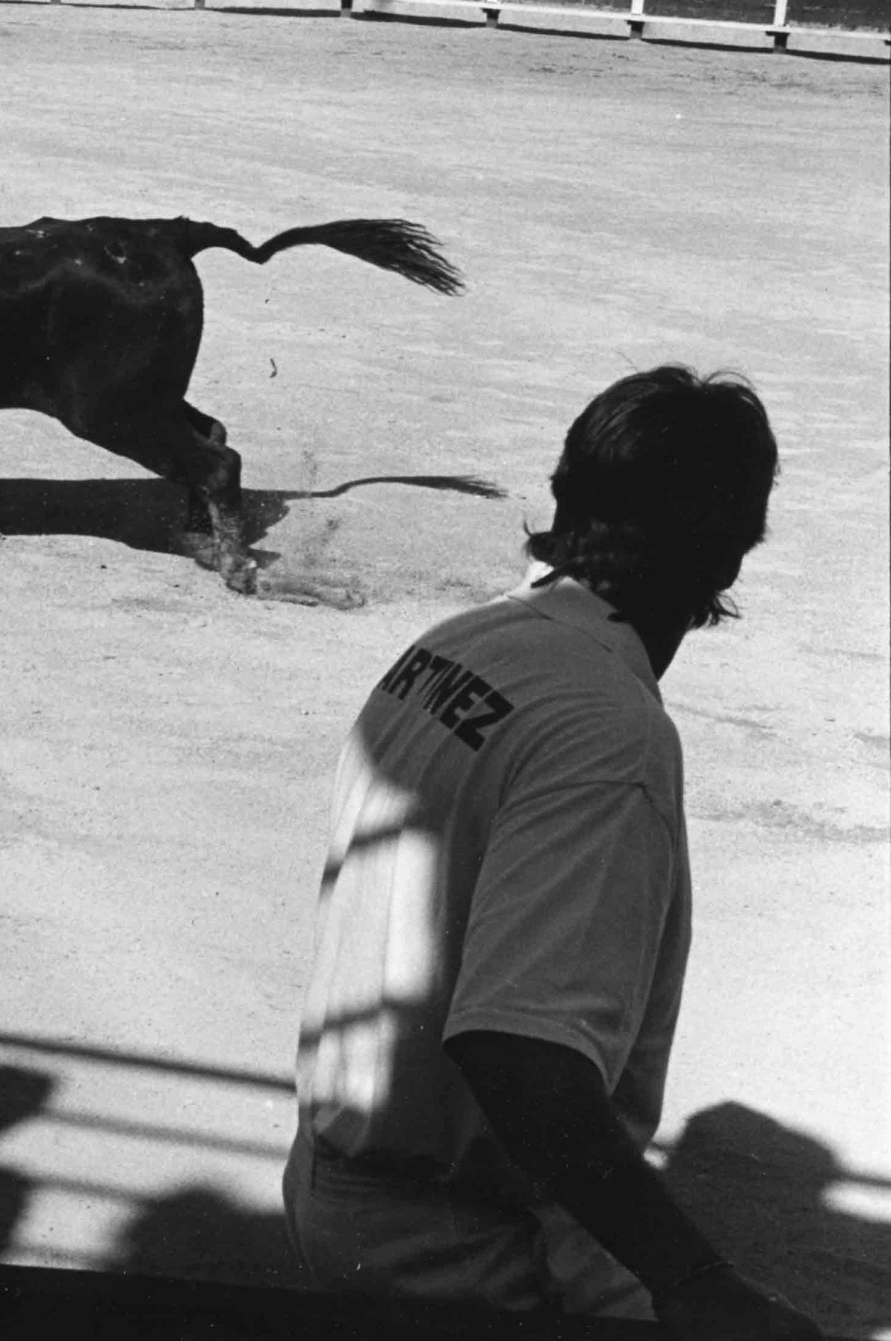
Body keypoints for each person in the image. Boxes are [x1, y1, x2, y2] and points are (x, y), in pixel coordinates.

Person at [283, 366, 821, 1340]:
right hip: (466, 1247)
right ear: (731, 555)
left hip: (344, 1176)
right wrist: (693, 1281)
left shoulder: (463, 641)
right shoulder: (607, 734)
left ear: (566, 495)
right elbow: (519, 1052)